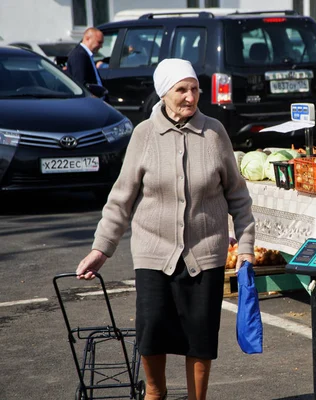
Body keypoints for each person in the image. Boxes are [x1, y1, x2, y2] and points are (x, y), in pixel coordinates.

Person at [75, 58, 256, 400]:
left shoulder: (214, 132)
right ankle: (155, 394)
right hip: (153, 253)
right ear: (164, 93)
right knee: (153, 329)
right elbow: (121, 200)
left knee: (201, 335)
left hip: (205, 253)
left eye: (195, 89)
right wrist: (101, 249)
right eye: (182, 90)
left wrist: (245, 249)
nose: (191, 97)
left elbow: (239, 198)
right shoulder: (144, 134)